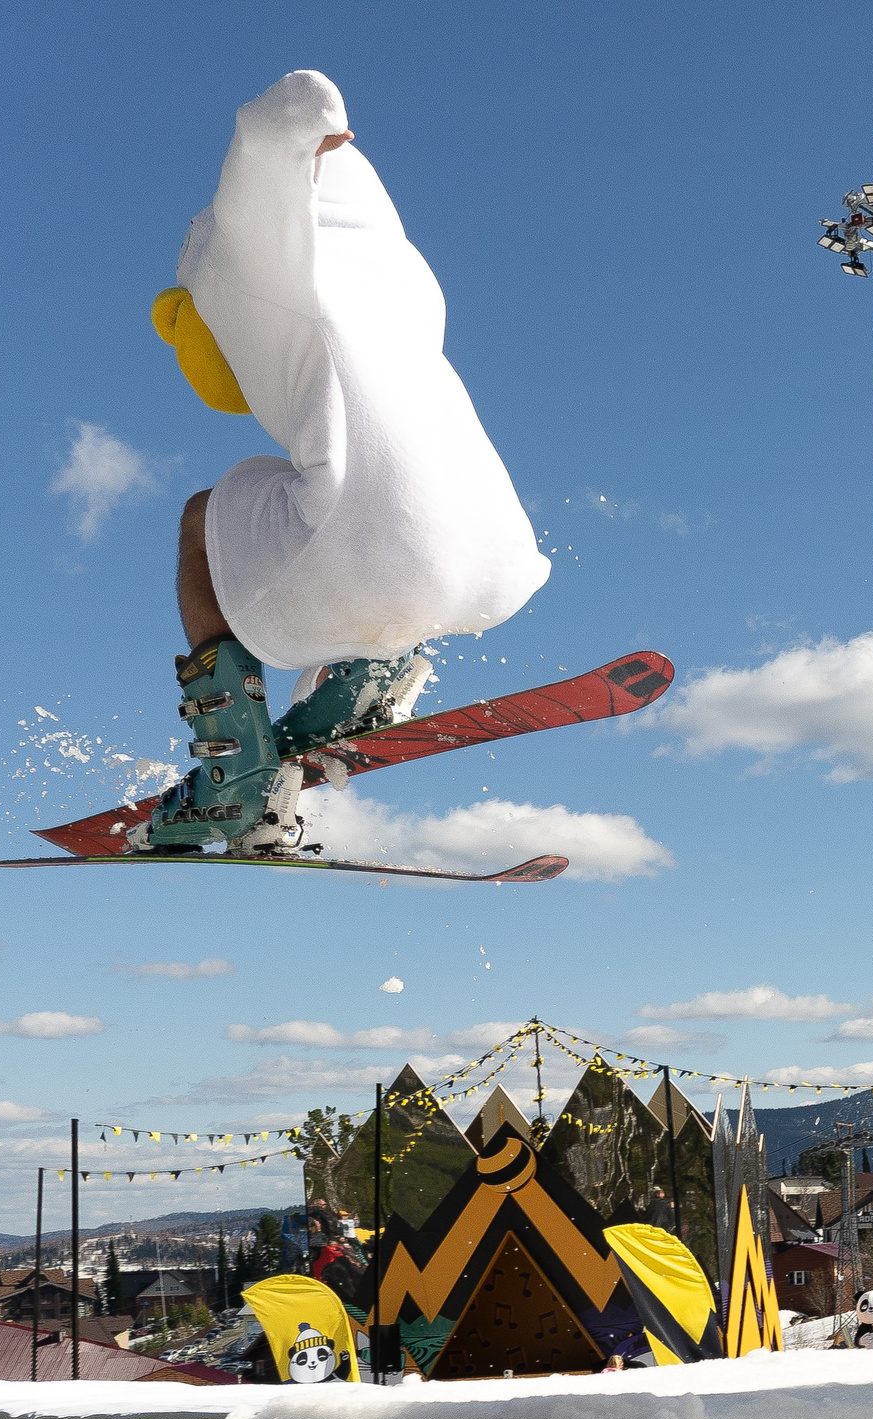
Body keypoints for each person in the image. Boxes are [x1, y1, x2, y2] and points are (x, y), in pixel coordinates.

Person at [135, 70, 550, 855]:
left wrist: (303, 123)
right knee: (312, 494)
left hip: (384, 551)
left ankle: (232, 771)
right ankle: (365, 678)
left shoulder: (265, 267)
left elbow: (269, 149)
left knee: (205, 519)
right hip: (499, 563)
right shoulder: (402, 285)